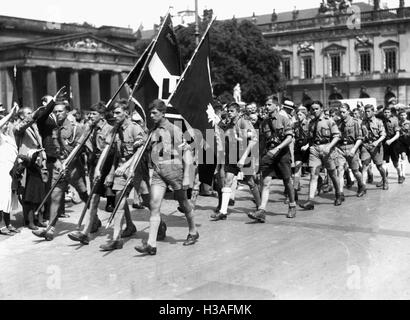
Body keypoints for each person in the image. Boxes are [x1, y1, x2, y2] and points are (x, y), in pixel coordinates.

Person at [135, 99, 199, 255]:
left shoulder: (173, 130)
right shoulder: (152, 130)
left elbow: (187, 152)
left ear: (163, 113)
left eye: (154, 113)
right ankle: (151, 244)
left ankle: (193, 230)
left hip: (174, 170)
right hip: (158, 172)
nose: (151, 115)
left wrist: (186, 178)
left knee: (184, 204)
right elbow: (147, 146)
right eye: (150, 113)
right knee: (154, 204)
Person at [98, 99, 150, 251]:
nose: (114, 115)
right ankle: (116, 239)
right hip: (121, 169)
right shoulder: (115, 129)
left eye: (118, 112)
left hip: (136, 168)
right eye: (113, 112)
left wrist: (127, 166)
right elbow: (114, 153)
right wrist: (110, 171)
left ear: (127, 113)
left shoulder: (135, 129)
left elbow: (140, 152)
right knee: (119, 202)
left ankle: (159, 224)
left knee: (147, 201)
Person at [33, 100, 89, 241]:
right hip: (60, 167)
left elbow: (79, 149)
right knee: (55, 197)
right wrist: (58, 163)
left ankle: (93, 218)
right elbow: (55, 149)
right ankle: (50, 229)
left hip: (74, 168)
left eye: (60, 111)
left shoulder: (77, 128)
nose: (57, 114)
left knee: (83, 195)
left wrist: (67, 163)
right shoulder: (55, 129)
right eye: (55, 111)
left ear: (67, 112)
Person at [248, 95, 296, 222]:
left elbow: (289, 137)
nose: (267, 107)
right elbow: (262, 142)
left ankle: (292, 205)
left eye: (269, 105)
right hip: (269, 155)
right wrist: (259, 159)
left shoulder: (284, 119)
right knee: (266, 182)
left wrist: (278, 148)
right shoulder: (263, 123)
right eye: (266, 105)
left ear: (276, 106)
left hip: (282, 154)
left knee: (287, 180)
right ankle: (262, 210)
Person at [212, 101, 260, 221]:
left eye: (232, 111)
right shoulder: (229, 122)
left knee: (250, 182)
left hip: (244, 156)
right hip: (232, 156)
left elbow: (254, 139)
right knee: (228, 180)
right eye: (228, 111)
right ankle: (223, 211)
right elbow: (222, 129)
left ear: (238, 112)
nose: (229, 113)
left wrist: (244, 158)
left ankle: (260, 208)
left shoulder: (243, 122)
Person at [299, 100, 342, 210]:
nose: (314, 111)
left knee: (332, 174)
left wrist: (329, 147)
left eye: (316, 108)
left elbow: (337, 136)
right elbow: (311, 137)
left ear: (321, 109)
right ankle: (310, 201)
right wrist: (308, 146)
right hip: (315, 149)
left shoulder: (329, 121)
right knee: (313, 174)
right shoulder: (311, 122)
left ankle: (338, 194)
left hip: (327, 149)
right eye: (312, 109)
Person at [13, 106, 48, 230]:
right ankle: (28, 220)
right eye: (28, 113)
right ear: (22, 116)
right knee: (28, 193)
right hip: (26, 163)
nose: (32, 114)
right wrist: (33, 117)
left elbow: (39, 141)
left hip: (37, 163)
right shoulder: (19, 127)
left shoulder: (34, 126)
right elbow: (22, 126)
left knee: (38, 192)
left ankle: (39, 219)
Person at [336, 103, 366, 197]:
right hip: (340, 149)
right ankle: (340, 193)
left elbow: (360, 138)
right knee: (339, 170)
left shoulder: (355, 122)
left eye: (344, 112)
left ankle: (361, 186)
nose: (342, 114)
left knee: (355, 171)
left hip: (352, 147)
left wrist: (353, 150)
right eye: (340, 112)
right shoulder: (338, 123)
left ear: (348, 111)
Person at [0, 104, 19, 235]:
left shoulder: (8, 137)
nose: (7, 125)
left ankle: (8, 223)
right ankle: (2, 225)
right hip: (1, 170)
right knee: (2, 199)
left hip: (10, 171)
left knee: (8, 199)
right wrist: (10, 114)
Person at [360, 104, 388, 190]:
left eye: (368, 111)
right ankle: (363, 187)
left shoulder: (378, 122)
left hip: (376, 146)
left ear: (373, 112)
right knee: (365, 166)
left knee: (379, 166)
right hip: (366, 146)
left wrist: (377, 141)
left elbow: (383, 135)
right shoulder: (363, 122)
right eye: (365, 111)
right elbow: (361, 134)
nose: (366, 113)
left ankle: (385, 180)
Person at [379, 105, 403, 184]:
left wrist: (391, 141)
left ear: (390, 113)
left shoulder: (394, 120)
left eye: (388, 112)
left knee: (395, 162)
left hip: (394, 142)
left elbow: (397, 134)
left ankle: (400, 175)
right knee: (383, 161)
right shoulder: (381, 121)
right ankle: (384, 178)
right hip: (385, 142)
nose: (386, 114)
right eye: (385, 112)